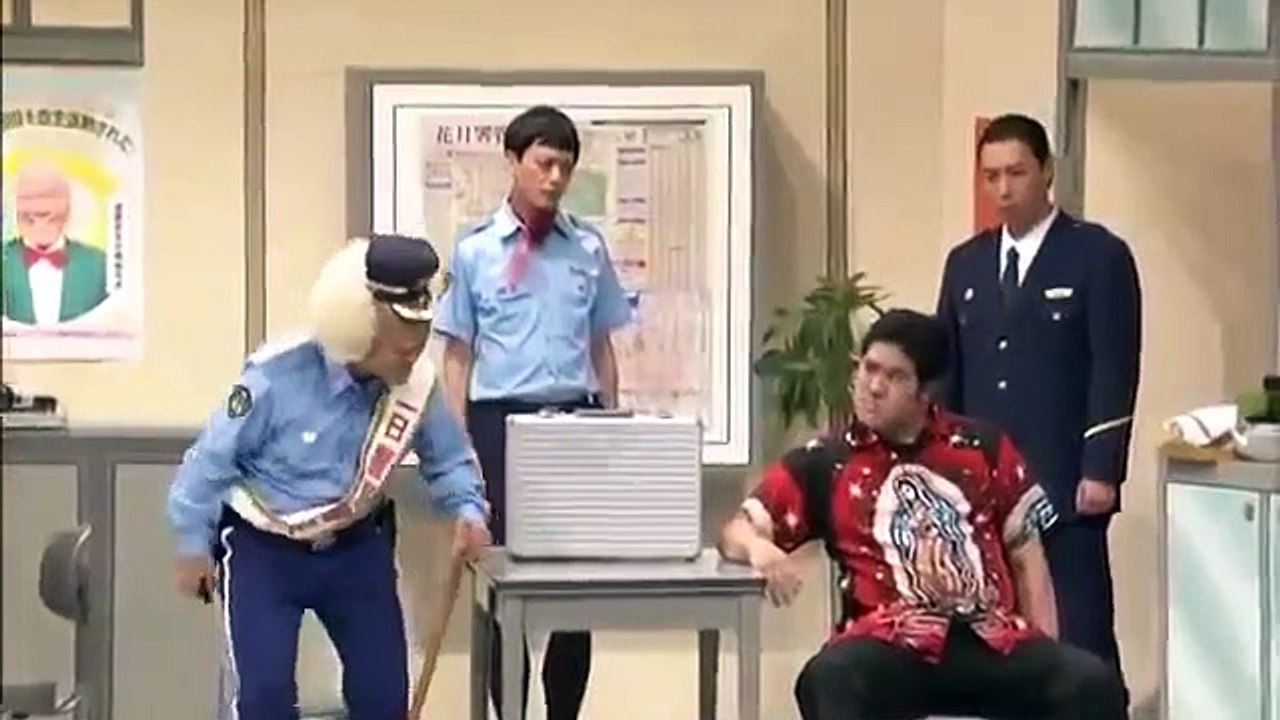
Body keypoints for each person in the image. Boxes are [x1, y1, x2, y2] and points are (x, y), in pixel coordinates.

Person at [719, 309, 1129, 720]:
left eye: (894, 376)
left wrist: (1046, 652)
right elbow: (735, 532)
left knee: (1090, 682)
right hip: (888, 643)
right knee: (829, 678)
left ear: (926, 391)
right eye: (868, 369)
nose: (873, 387)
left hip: (988, 638)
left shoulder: (983, 447)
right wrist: (759, 548)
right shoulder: (828, 461)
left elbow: (1027, 557)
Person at [166, 233, 491, 720]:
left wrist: (468, 510)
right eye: (400, 351)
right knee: (265, 700)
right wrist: (193, 544)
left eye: (417, 348)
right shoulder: (276, 376)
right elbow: (210, 462)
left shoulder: (416, 385)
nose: (412, 361)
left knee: (384, 698)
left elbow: (448, 460)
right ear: (359, 332)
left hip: (356, 550)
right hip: (263, 553)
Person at [434, 104, 633, 720]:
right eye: (544, 164)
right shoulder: (475, 251)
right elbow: (457, 357)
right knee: (503, 586)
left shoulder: (587, 248)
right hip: (500, 425)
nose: (554, 178)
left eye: (565, 168)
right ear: (513, 162)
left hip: (575, 423)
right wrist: (460, 452)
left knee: (577, 591)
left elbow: (601, 345)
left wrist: (611, 429)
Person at [934, 113, 1142, 694]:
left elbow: (1114, 366)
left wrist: (1101, 468)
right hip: (985, 489)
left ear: (1047, 172)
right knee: (996, 639)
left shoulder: (1096, 255)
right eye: (991, 176)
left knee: (1080, 635)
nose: (1003, 189)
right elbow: (948, 373)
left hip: (1064, 481)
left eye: (1017, 173)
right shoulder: (967, 264)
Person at [2, 162, 109, 325]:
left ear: (68, 209)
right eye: (30, 199)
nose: (40, 213)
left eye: (49, 196)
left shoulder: (99, 264)